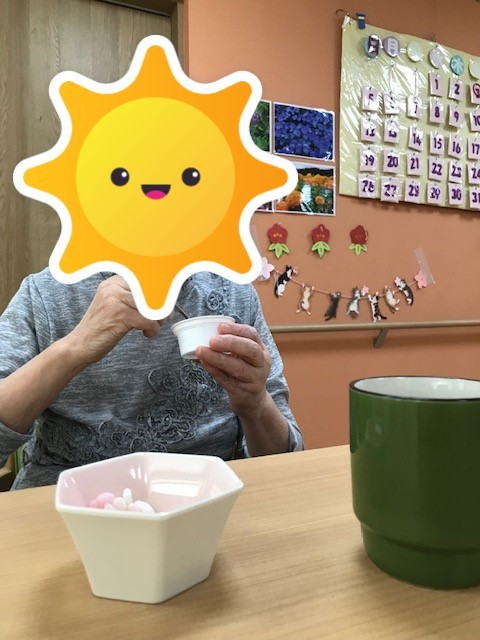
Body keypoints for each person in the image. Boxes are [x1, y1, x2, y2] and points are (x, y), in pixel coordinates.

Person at [0, 269, 304, 489]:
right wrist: (74, 347)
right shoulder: (45, 293)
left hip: (203, 498)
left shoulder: (235, 294)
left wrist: (255, 403)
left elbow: (284, 461)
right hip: (65, 497)